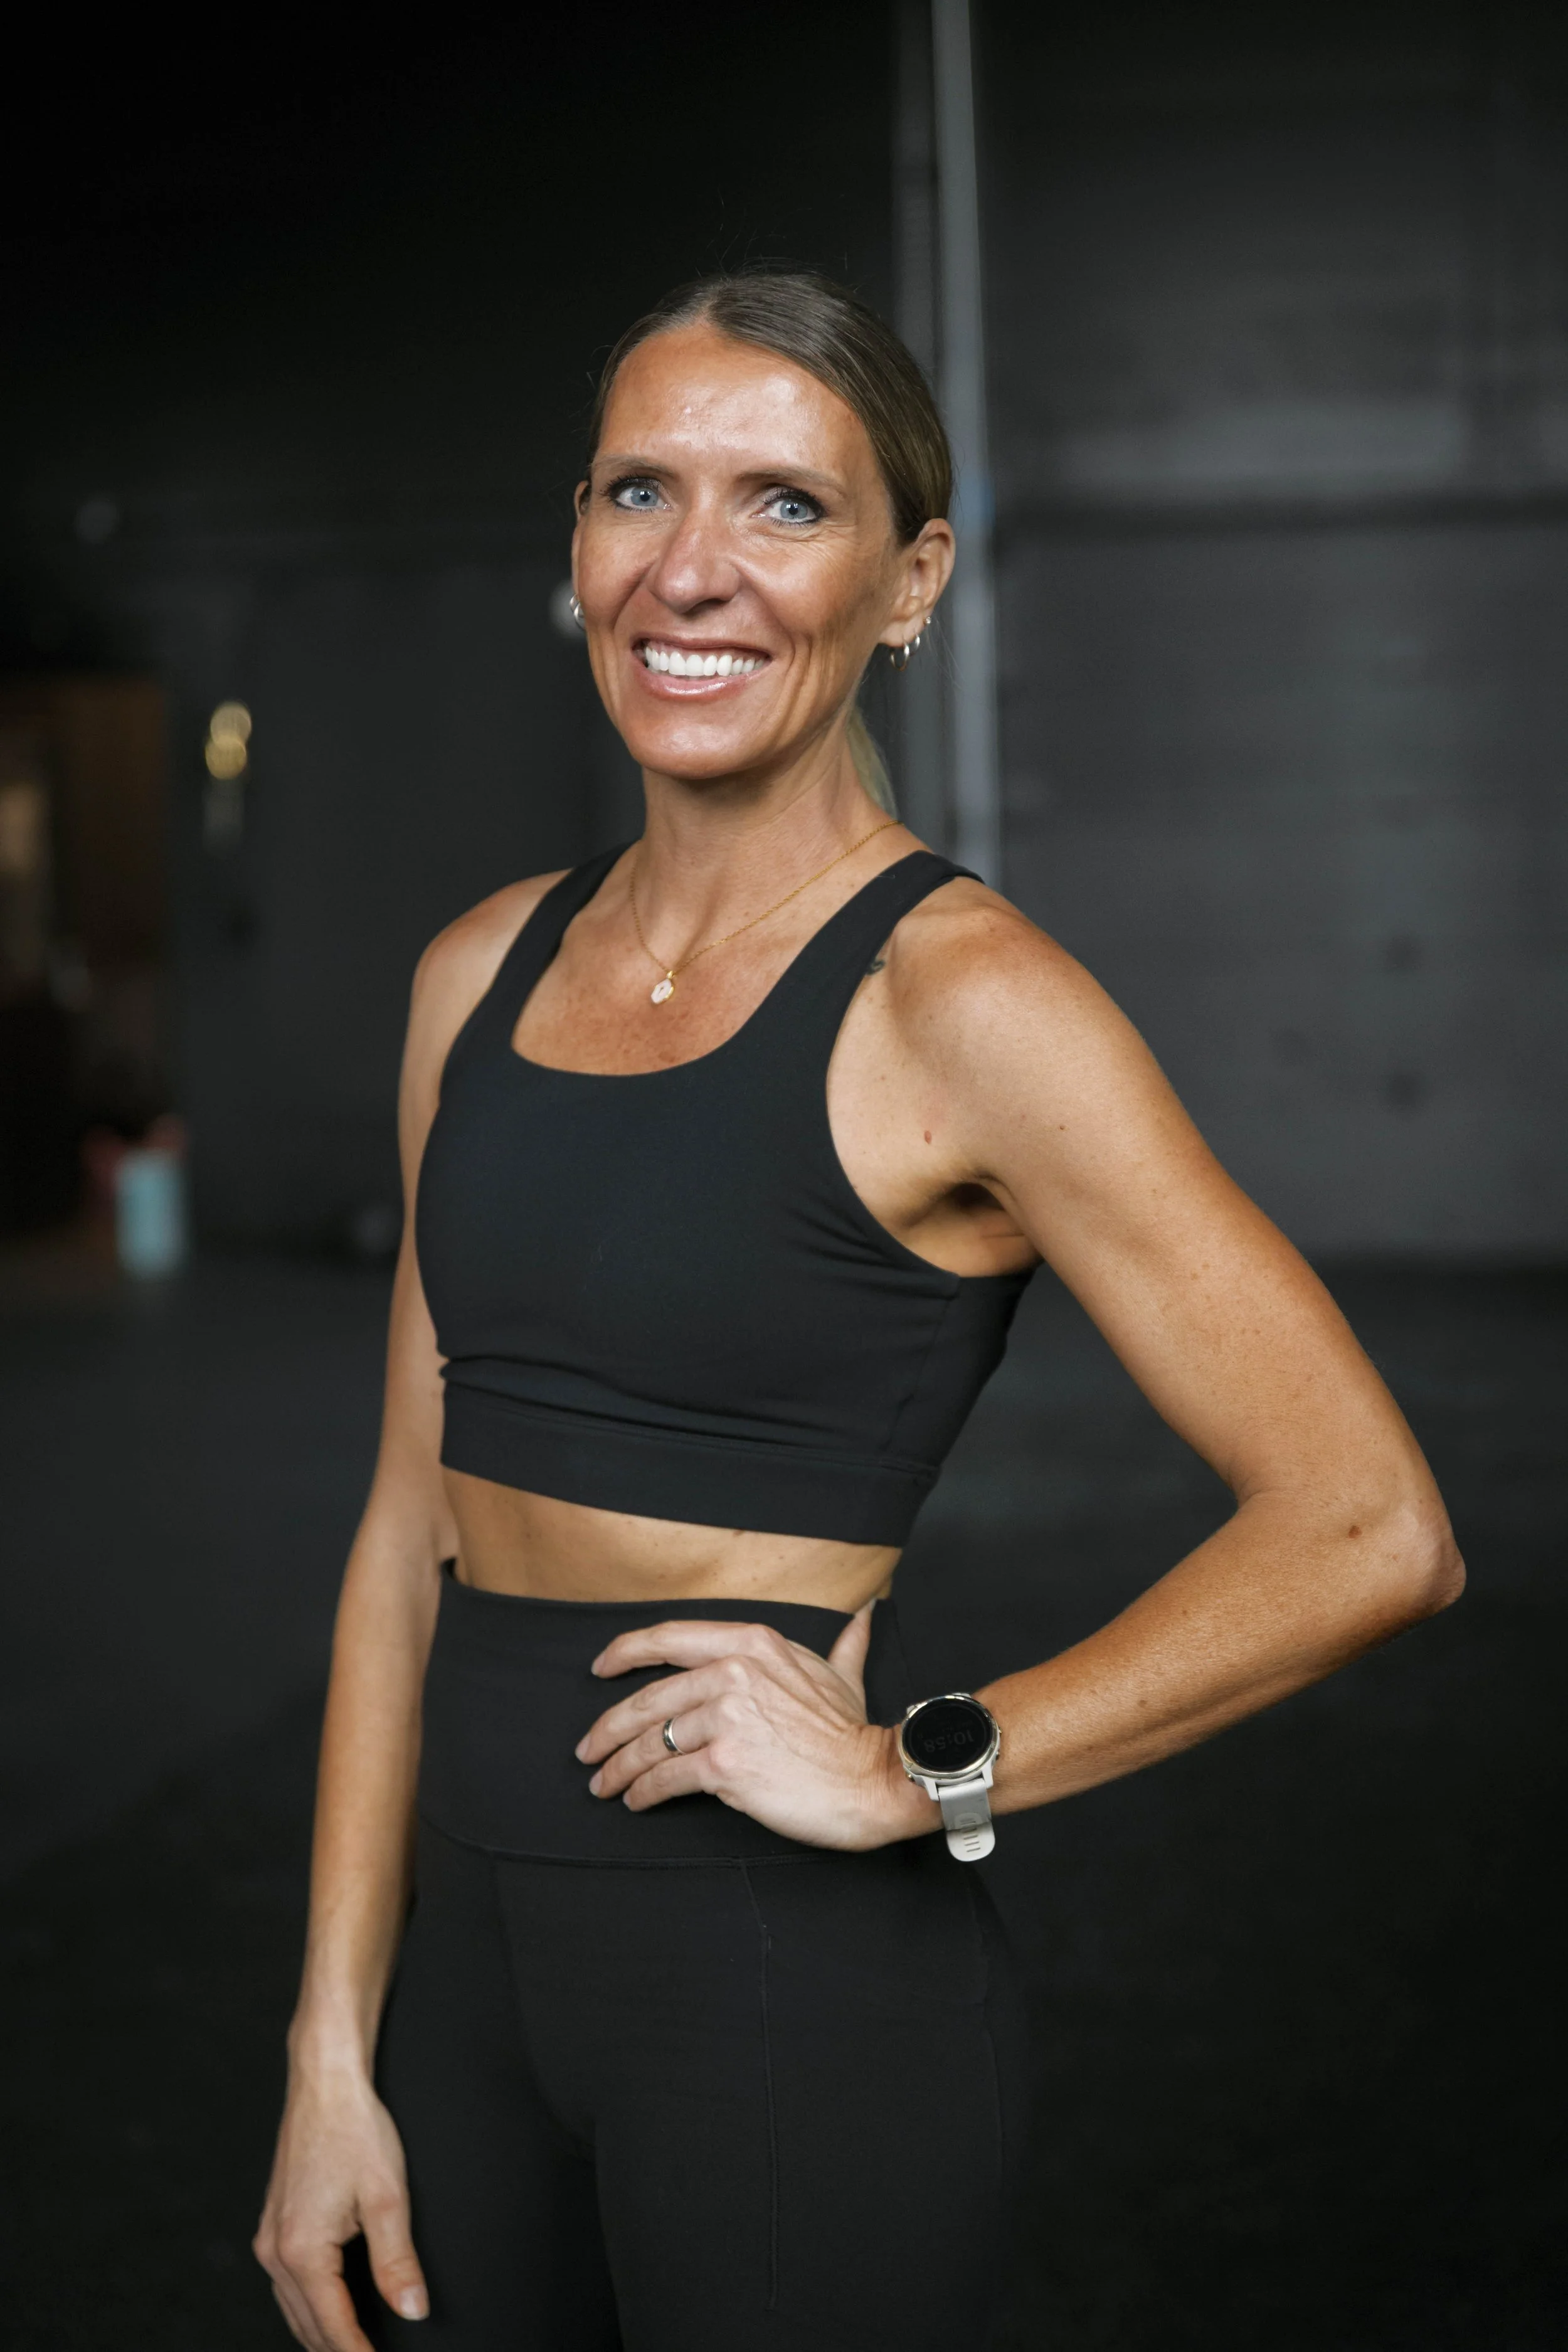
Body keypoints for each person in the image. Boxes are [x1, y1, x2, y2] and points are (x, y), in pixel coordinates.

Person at [254, 272, 1462, 2352]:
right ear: (578, 540)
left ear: (910, 582)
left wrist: (928, 1766)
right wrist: (325, 2048)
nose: (689, 568)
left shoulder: (966, 1003)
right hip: (458, 1994)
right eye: (640, 490)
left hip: (780, 1996)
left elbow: (1371, 1525)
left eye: (785, 505)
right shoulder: (476, 974)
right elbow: (399, 1537)